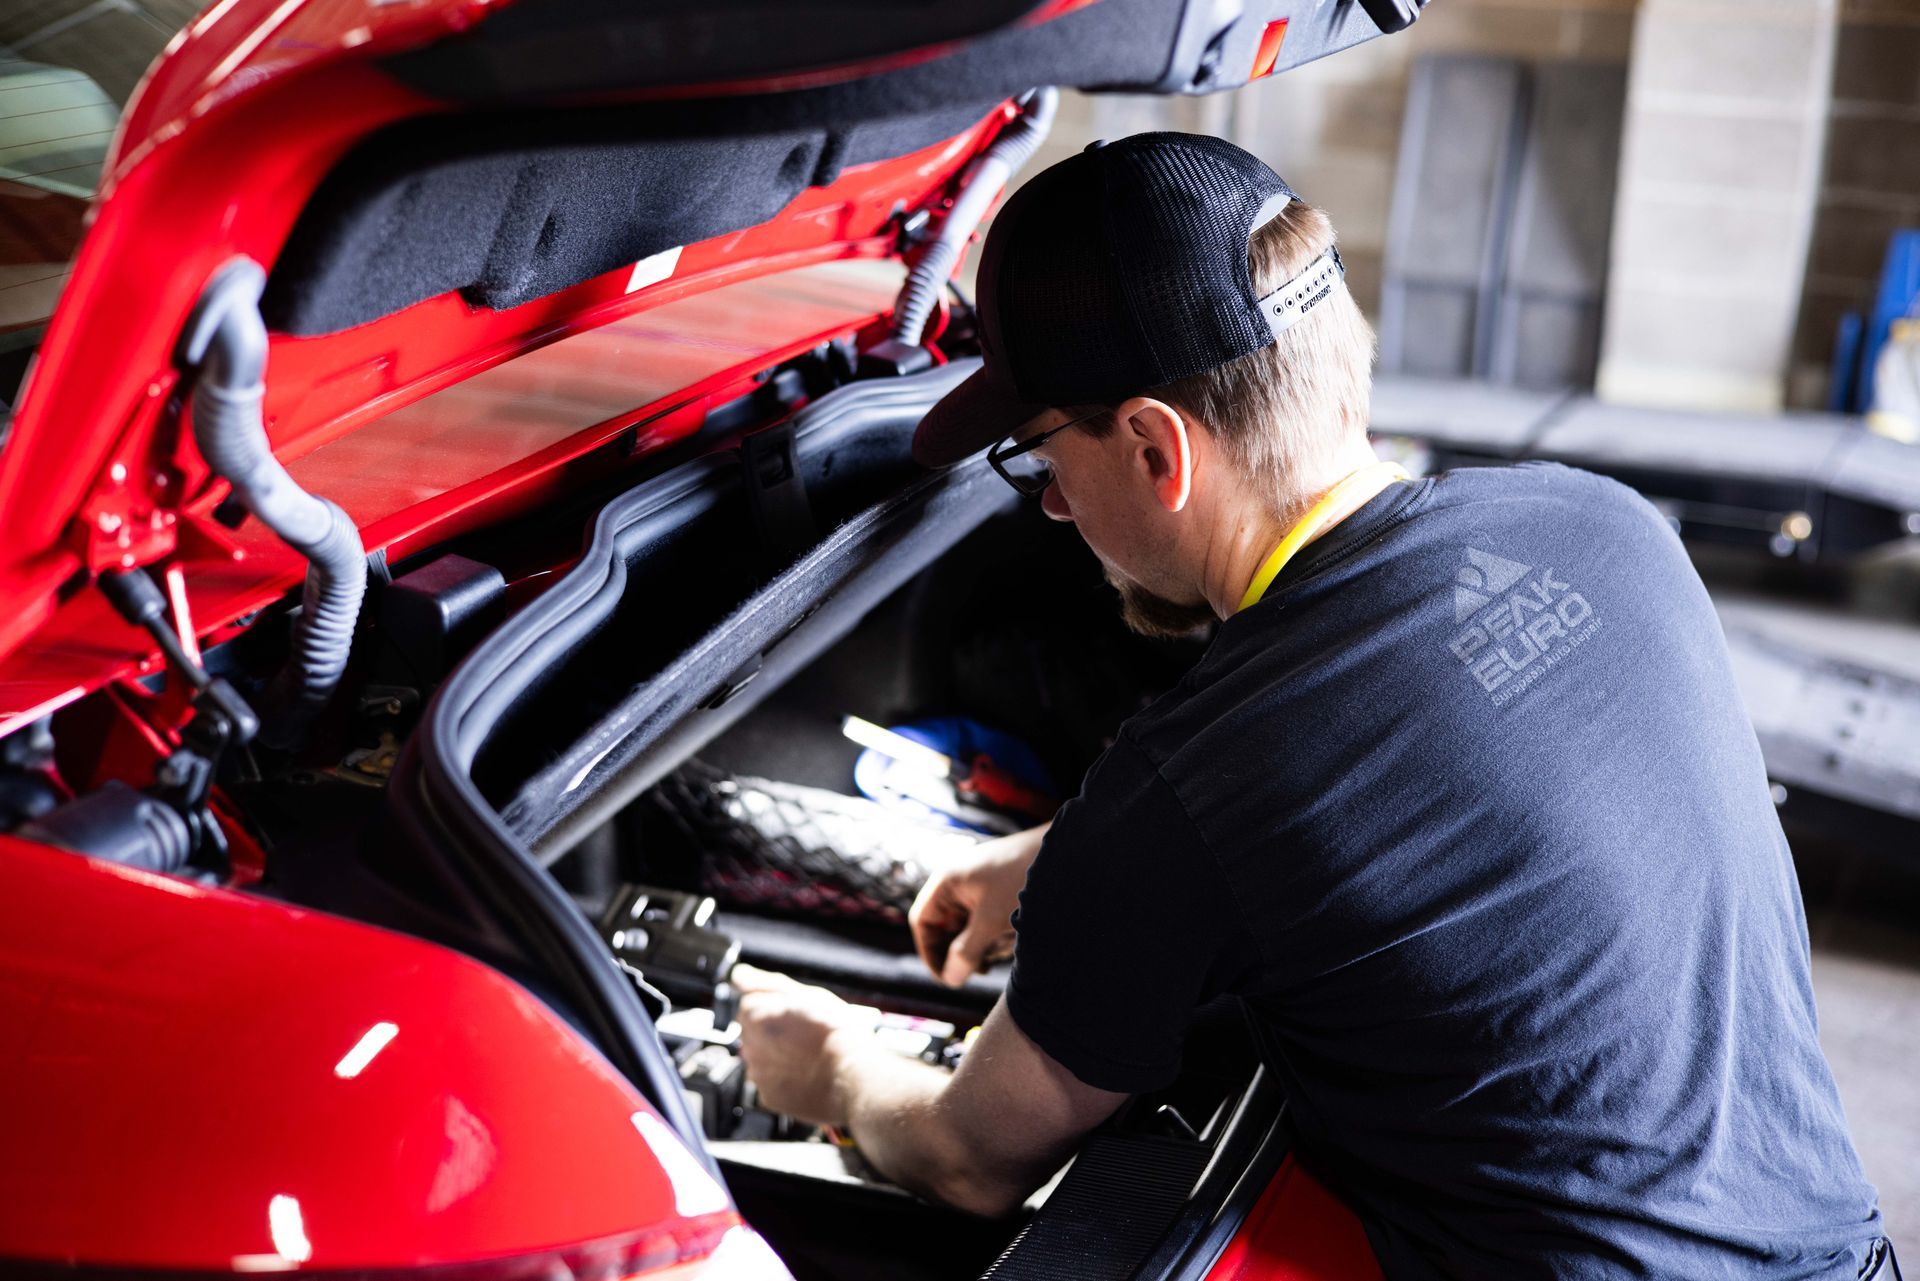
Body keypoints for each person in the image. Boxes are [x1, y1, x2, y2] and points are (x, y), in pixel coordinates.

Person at [732, 132, 1890, 1279]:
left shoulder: (1194, 786)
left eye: (1040, 460)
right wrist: (1056, 857)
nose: (1050, 510)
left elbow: (965, 1159)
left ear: (1152, 450)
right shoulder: (1608, 526)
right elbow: (1450, 777)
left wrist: (825, 1067)